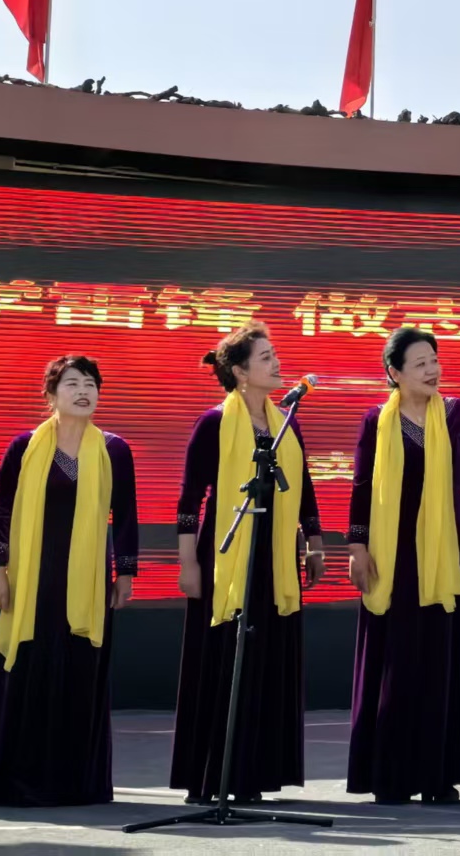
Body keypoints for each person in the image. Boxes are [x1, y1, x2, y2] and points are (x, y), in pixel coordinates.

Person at [169, 323, 325, 804]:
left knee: (267, 659)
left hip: (275, 558)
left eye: (275, 355)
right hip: (226, 557)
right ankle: (212, 776)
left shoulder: (285, 423)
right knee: (223, 659)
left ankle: (254, 773)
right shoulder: (214, 423)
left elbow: (305, 492)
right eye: (266, 357)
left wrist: (315, 544)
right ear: (239, 372)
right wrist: (188, 564)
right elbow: (189, 501)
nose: (277, 364)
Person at [0, 355, 140, 807]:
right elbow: (1, 510)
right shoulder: (24, 447)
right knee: (28, 671)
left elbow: (126, 513)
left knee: (80, 673)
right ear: (50, 395)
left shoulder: (113, 449)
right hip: (33, 578)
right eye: (72, 384)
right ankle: (18, 784)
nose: (83, 391)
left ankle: (77, 784)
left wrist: (125, 571)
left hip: (89, 579)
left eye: (91, 383)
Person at [345, 327, 460, 804]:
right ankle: (390, 775)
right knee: (397, 660)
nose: (433, 370)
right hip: (394, 557)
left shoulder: (456, 413)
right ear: (395, 373)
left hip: (447, 553)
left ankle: (437, 776)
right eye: (421, 363)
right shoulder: (376, 421)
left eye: (435, 360)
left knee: (439, 662)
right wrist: (357, 547)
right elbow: (361, 487)